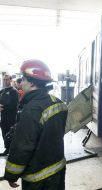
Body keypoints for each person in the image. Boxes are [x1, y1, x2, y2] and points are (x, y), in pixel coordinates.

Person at [4, 59, 68, 190]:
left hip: (38, 179)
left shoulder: (32, 109)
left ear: (32, 82)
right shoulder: (58, 103)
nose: (20, 83)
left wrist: (11, 175)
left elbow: (22, 147)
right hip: (58, 169)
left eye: (23, 79)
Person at [0, 74, 18, 156]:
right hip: (3, 117)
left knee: (10, 134)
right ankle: (7, 149)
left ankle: (12, 150)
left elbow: (14, 105)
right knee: (4, 133)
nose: (5, 81)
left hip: (11, 117)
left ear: (11, 80)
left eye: (7, 79)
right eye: (4, 79)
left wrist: (3, 108)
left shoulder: (14, 91)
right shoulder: (2, 91)